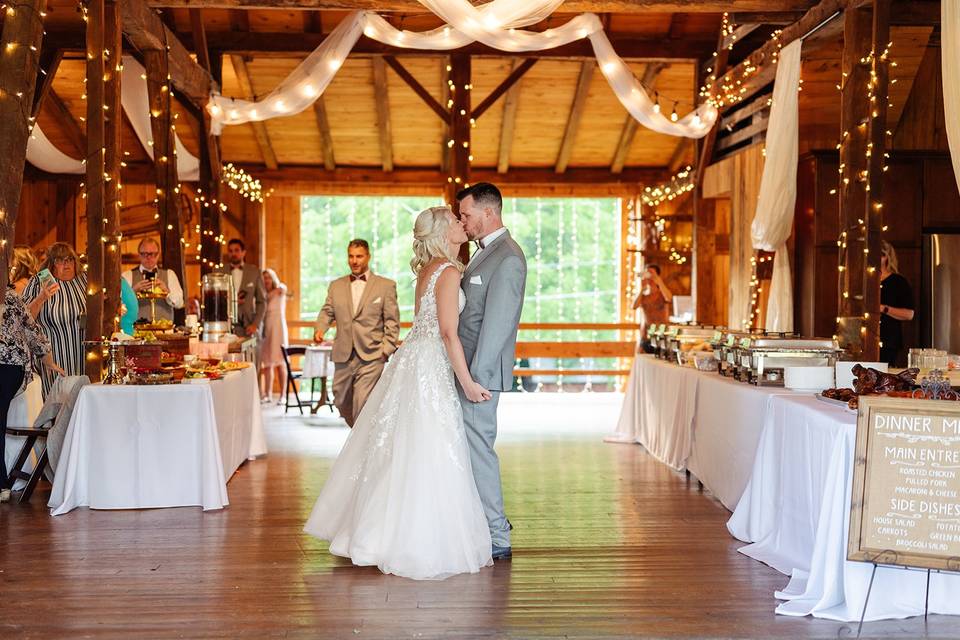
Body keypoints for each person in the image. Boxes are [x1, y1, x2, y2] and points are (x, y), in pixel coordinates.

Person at [304, 205, 493, 579]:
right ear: (442, 232)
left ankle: (377, 532)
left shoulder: (428, 269)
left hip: (413, 361)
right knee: (429, 445)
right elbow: (447, 332)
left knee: (403, 446)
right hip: (429, 364)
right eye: (455, 220)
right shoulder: (450, 271)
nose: (461, 223)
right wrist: (468, 382)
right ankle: (415, 540)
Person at [456, 182, 527, 561]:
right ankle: (479, 524)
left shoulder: (508, 258)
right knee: (469, 449)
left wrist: (474, 381)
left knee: (479, 450)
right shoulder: (485, 254)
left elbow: (498, 325)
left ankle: (498, 534)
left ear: (489, 212)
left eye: (466, 214)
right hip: (465, 371)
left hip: (479, 376)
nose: (463, 222)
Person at [312, 239, 400, 427]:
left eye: (359, 256)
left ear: (368, 256)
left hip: (372, 355)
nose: (354, 260)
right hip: (343, 354)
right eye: (351, 256)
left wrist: (387, 349)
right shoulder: (336, 286)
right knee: (340, 400)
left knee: (363, 403)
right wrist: (320, 328)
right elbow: (327, 311)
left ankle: (361, 447)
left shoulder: (385, 286)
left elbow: (392, 321)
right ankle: (360, 437)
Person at [1, 285, 65, 503]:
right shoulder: (11, 297)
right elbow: (32, 330)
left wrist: (48, 361)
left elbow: (31, 329)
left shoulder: (10, 297)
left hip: (9, 366)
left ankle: (1, 483)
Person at [22, 242, 87, 396]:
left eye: (69, 259)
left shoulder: (84, 279)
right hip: (53, 357)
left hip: (83, 356)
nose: (66, 264)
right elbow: (24, 318)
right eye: (60, 260)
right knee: (57, 402)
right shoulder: (41, 280)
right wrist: (41, 298)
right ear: (51, 264)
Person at [121, 237, 184, 323]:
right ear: (139, 255)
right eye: (145, 254)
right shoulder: (127, 275)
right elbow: (119, 306)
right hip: (136, 332)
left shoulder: (169, 274)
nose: (149, 258)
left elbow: (179, 304)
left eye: (153, 254)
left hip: (164, 332)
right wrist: (132, 291)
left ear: (158, 255)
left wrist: (166, 291)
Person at [217, 239, 266, 339]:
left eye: (236, 250)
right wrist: (231, 301)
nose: (233, 253)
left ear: (243, 252)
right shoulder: (219, 272)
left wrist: (255, 324)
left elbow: (262, 302)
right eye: (230, 251)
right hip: (225, 325)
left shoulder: (254, 272)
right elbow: (215, 298)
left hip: (248, 325)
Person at [879, 240, 914, 367]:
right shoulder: (865, 280)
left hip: (889, 341)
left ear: (887, 257)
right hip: (862, 342)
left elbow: (909, 314)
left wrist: (883, 308)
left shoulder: (898, 282)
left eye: (881, 254)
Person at [260, 268, 288, 404]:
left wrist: (270, 293)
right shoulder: (262, 294)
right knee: (267, 363)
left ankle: (283, 395)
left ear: (273, 278)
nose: (266, 281)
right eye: (264, 278)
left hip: (278, 327)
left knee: (281, 362)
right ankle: (267, 394)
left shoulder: (279, 290)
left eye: (268, 277)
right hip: (267, 328)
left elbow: (284, 288)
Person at [632, 264, 672, 343]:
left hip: (662, 333)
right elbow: (634, 306)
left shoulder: (662, 294)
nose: (649, 277)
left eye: (651, 273)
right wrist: (642, 289)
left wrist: (658, 280)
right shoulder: (644, 296)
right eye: (647, 273)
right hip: (646, 334)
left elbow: (669, 298)